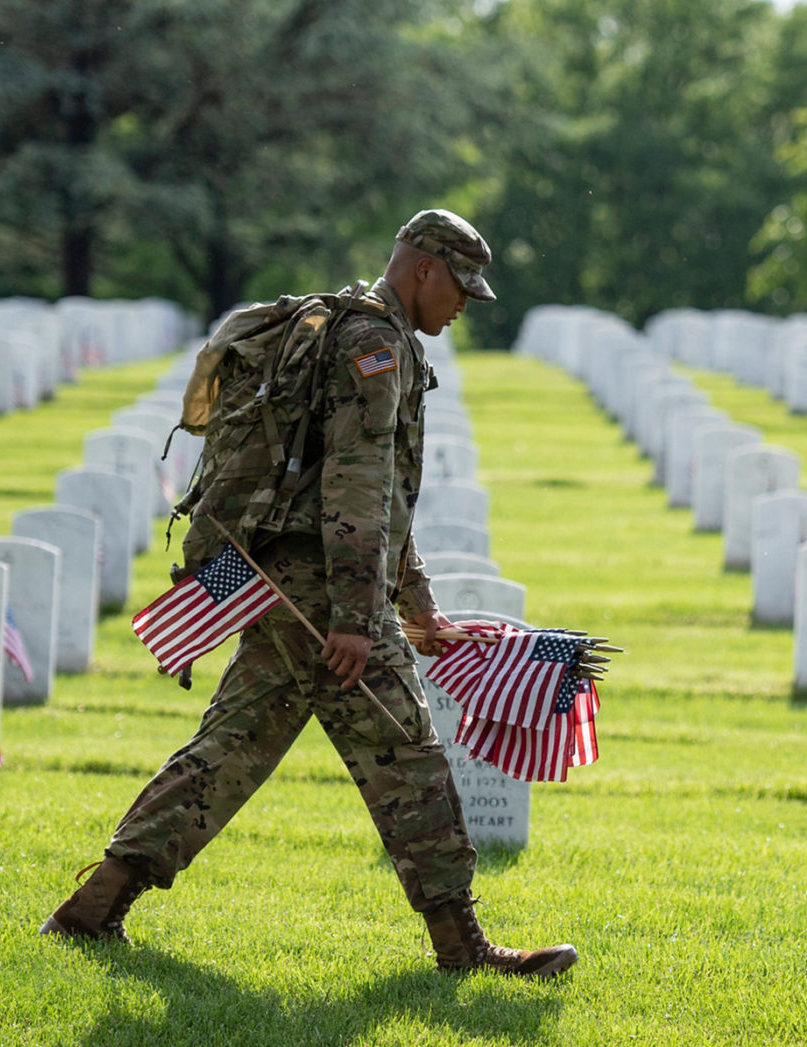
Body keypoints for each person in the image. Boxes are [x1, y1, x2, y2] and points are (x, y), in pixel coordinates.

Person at [40, 210, 577, 979]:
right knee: (407, 748)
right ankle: (463, 948)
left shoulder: (360, 329)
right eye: (460, 287)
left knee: (229, 748)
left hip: (287, 582)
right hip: (323, 594)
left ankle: (92, 908)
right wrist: (361, 619)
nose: (463, 305)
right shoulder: (373, 343)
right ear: (423, 268)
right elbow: (356, 492)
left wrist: (417, 602)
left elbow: (385, 494)